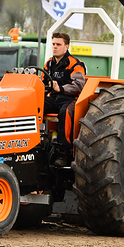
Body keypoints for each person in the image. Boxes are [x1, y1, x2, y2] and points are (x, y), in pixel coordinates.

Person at [43, 32, 86, 167]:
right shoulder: (49, 64)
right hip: (53, 98)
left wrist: (60, 88)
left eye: (58, 44)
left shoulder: (75, 64)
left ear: (66, 46)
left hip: (70, 99)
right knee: (33, 106)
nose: (55, 47)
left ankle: (63, 152)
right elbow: (43, 81)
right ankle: (37, 143)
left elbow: (79, 86)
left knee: (65, 112)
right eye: (53, 44)